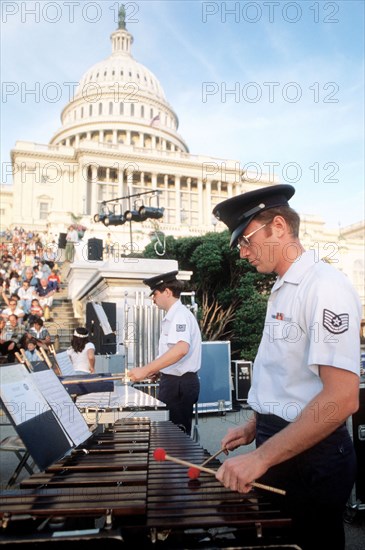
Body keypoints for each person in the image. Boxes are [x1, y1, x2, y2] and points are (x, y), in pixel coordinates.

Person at [211, 184, 361, 550]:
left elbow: (341, 400)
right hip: (282, 441)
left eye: (245, 241)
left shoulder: (325, 287)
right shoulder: (282, 287)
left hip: (313, 458)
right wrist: (255, 425)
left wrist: (260, 457)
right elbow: (290, 377)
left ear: (278, 226)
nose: (243, 253)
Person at [129, 270, 202, 436]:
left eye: (154, 293)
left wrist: (146, 370)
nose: (152, 299)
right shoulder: (175, 315)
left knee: (174, 437)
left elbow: (181, 349)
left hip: (178, 384)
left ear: (167, 292)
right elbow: (173, 352)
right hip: (174, 381)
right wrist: (158, 370)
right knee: (170, 435)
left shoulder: (179, 315)